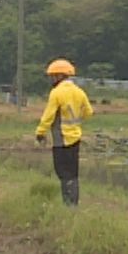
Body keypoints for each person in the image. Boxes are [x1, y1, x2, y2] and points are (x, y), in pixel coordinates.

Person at [34, 58, 93, 207]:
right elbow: (88, 112)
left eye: (52, 76)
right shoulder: (80, 92)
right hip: (75, 138)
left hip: (61, 140)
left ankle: (68, 204)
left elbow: (48, 115)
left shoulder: (56, 93)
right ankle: (73, 204)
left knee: (63, 173)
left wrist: (40, 132)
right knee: (73, 173)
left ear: (59, 76)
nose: (51, 79)